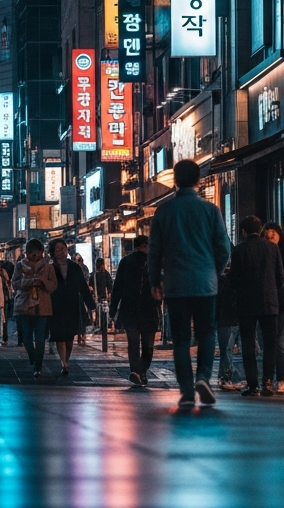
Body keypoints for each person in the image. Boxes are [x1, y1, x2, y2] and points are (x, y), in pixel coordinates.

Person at [147, 159, 231, 407]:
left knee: (181, 339)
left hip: (176, 283)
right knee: (207, 332)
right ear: (198, 180)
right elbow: (224, 248)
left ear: (174, 180)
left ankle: (185, 390)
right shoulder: (210, 210)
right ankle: (203, 377)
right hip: (206, 283)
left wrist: (155, 279)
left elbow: (154, 251)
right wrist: (213, 271)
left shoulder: (164, 211)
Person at [228, 216, 284, 397]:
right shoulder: (272, 248)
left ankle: (253, 385)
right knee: (270, 343)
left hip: (247, 304)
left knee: (248, 344)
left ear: (243, 231)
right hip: (270, 302)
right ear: (260, 229)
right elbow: (280, 278)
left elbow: (234, 280)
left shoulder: (239, 250)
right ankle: (268, 381)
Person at [111, 234, 161, 387]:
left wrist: (113, 309)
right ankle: (139, 371)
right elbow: (118, 286)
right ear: (141, 246)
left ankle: (139, 371)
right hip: (145, 310)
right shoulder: (135, 262)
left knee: (139, 344)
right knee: (144, 345)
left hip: (134, 310)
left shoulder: (151, 263)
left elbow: (117, 287)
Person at [12, 239, 58, 377]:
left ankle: (38, 365)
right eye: (32, 253)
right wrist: (29, 282)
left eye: (37, 253)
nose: (34, 256)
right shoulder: (20, 265)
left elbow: (53, 284)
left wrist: (42, 282)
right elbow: (15, 283)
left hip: (42, 306)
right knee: (26, 338)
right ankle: (33, 357)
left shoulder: (48, 267)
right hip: (25, 305)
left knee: (40, 338)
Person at [49, 240, 95, 376]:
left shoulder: (75, 267)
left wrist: (90, 303)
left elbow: (83, 287)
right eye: (58, 249)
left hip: (72, 304)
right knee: (59, 336)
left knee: (69, 338)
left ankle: (66, 360)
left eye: (63, 249)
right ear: (53, 252)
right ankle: (63, 362)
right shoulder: (50, 268)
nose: (62, 251)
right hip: (55, 305)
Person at [262, 222, 284, 393]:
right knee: (268, 342)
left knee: (281, 342)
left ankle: (280, 379)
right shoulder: (263, 255)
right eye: (267, 235)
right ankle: (267, 378)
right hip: (266, 303)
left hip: (283, 304)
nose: (271, 237)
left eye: (274, 234)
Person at [215, 266, 242, 391]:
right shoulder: (223, 280)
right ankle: (228, 376)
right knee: (227, 349)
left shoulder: (220, 279)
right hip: (228, 318)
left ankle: (227, 376)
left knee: (227, 349)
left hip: (228, 318)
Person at [92, 257, 113, 338]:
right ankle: (103, 326)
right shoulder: (105, 274)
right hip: (103, 297)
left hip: (98, 297)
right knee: (103, 312)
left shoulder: (94, 275)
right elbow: (110, 285)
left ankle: (100, 326)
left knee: (100, 312)